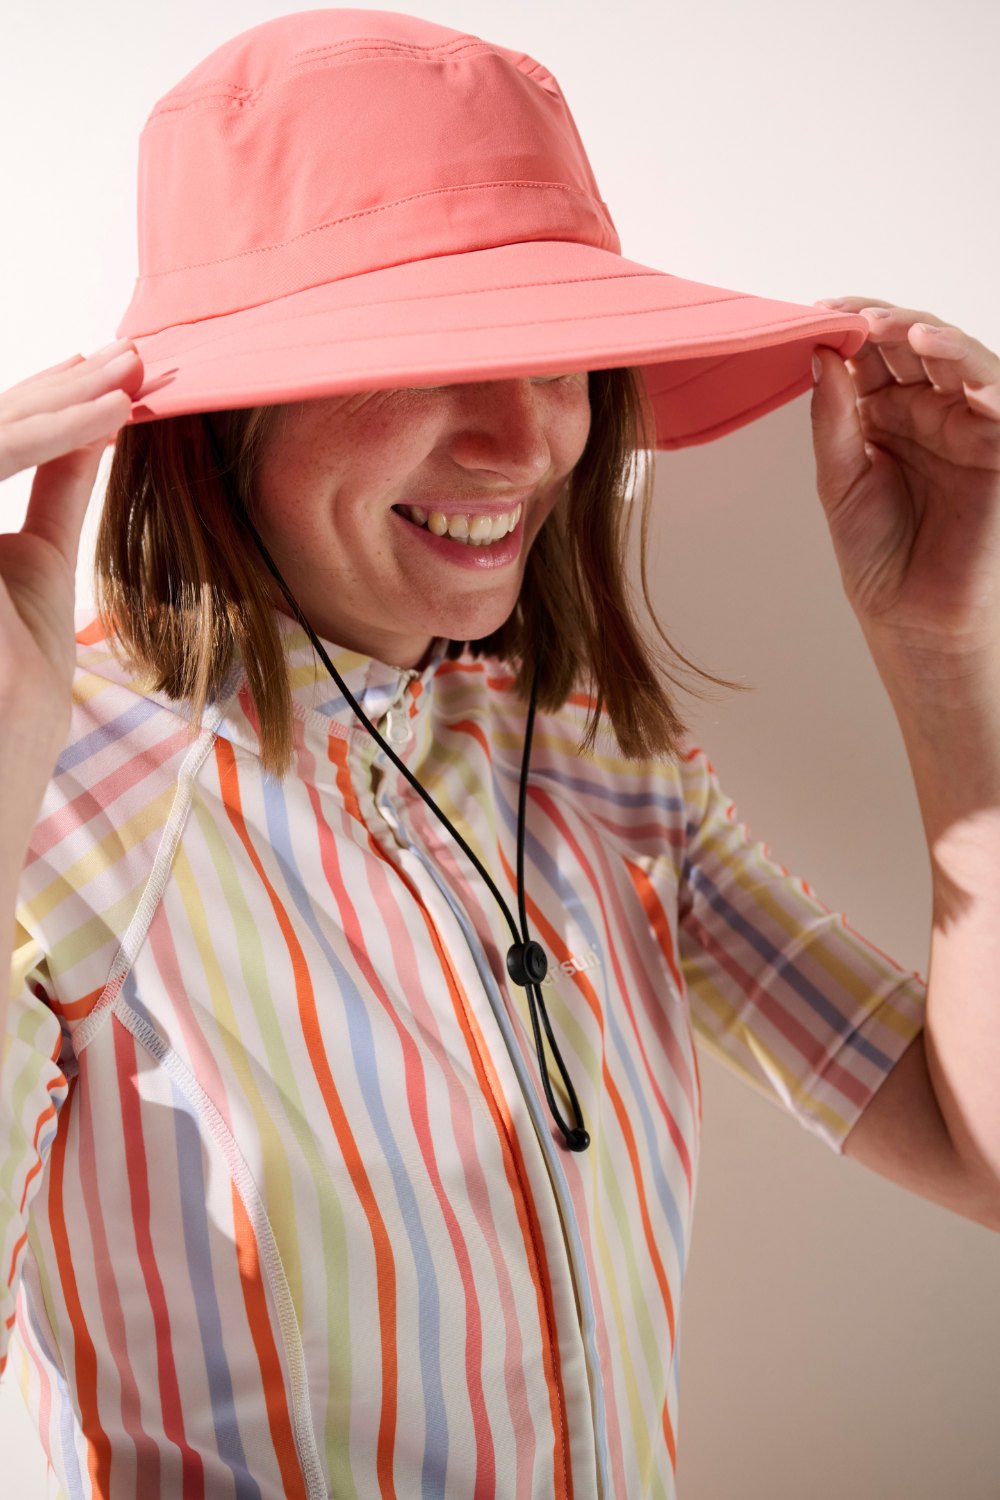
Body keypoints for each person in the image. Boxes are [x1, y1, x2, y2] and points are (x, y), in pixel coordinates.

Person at [2, 10, 998, 1499]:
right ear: (221, 422)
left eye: (555, 358)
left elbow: (982, 1154)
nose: (523, 444)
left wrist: (942, 650)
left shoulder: (598, 761)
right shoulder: (59, 797)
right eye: (427, 358)